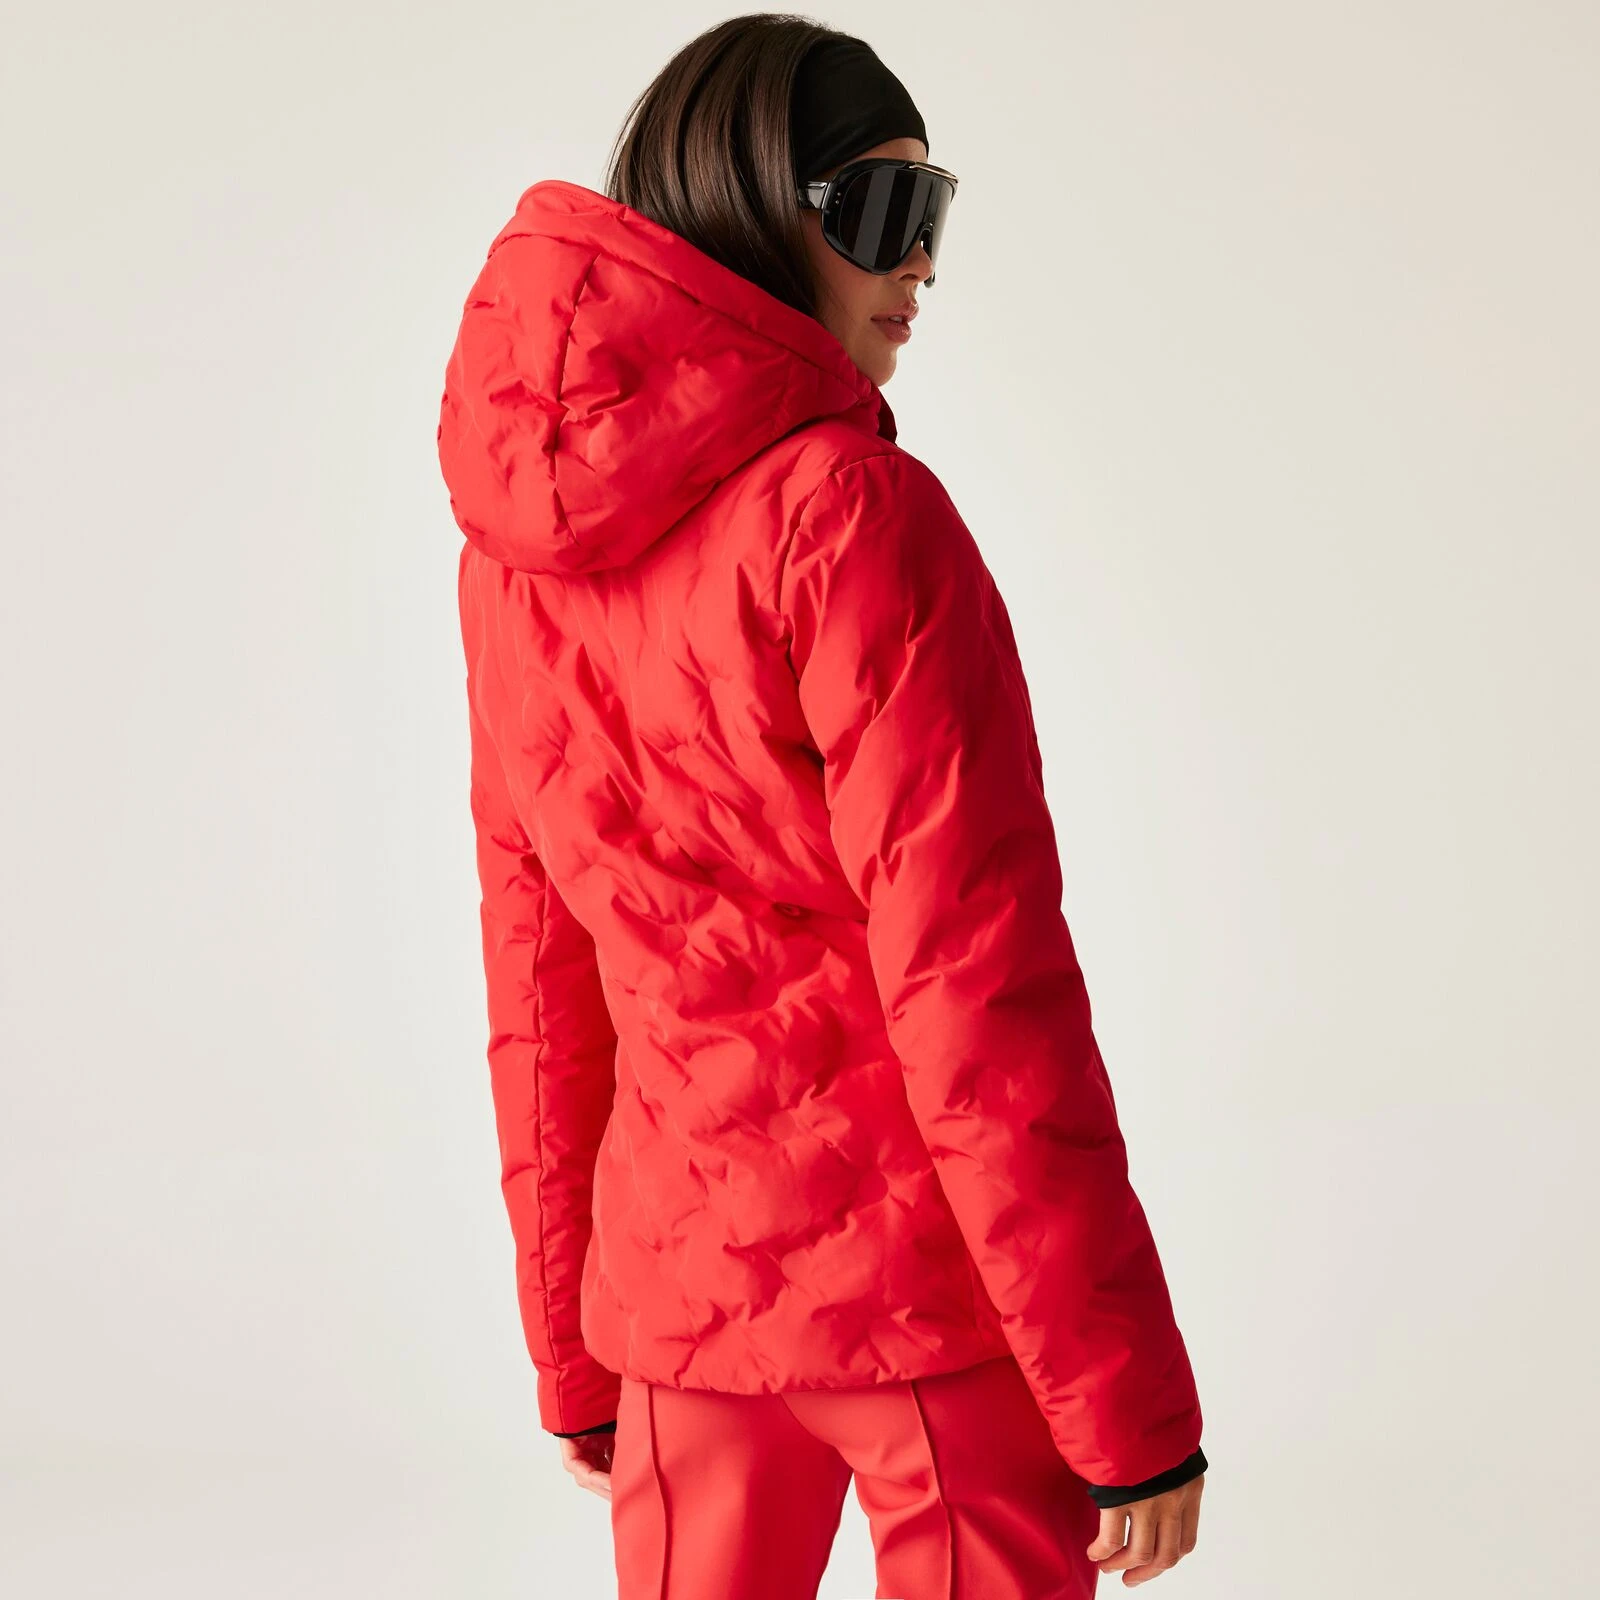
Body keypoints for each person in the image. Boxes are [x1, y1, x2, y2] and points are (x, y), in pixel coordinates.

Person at [435, 15, 1209, 1597]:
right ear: (749, 205)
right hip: (925, 1297)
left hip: (678, 1308)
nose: (920, 264)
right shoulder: (853, 513)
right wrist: (1123, 1407)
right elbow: (977, 982)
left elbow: (539, 984)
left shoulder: (511, 568)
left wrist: (575, 1350)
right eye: (880, 210)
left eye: (935, 211)